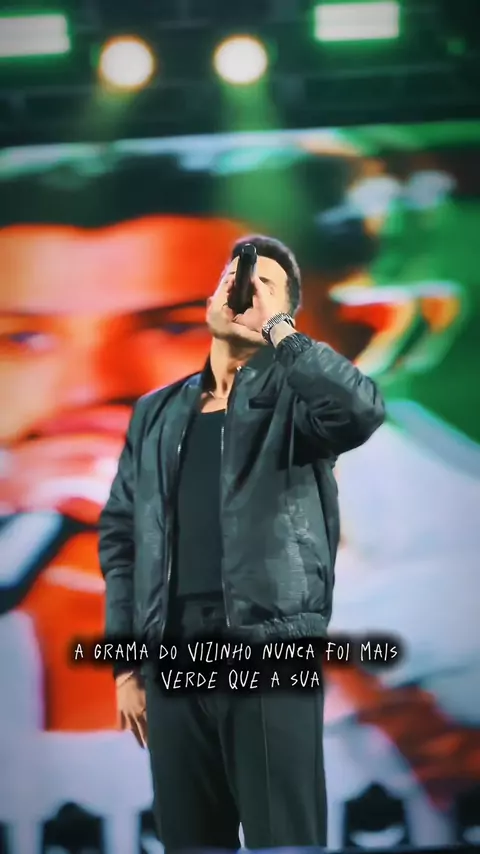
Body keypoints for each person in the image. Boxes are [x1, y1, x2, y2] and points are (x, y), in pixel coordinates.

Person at [98, 233, 385, 851]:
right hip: (171, 648)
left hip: (269, 640)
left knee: (283, 836)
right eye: (233, 279)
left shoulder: (295, 399)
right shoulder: (156, 412)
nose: (242, 292)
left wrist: (279, 329)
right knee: (189, 839)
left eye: (262, 285)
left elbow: (359, 412)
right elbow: (122, 539)